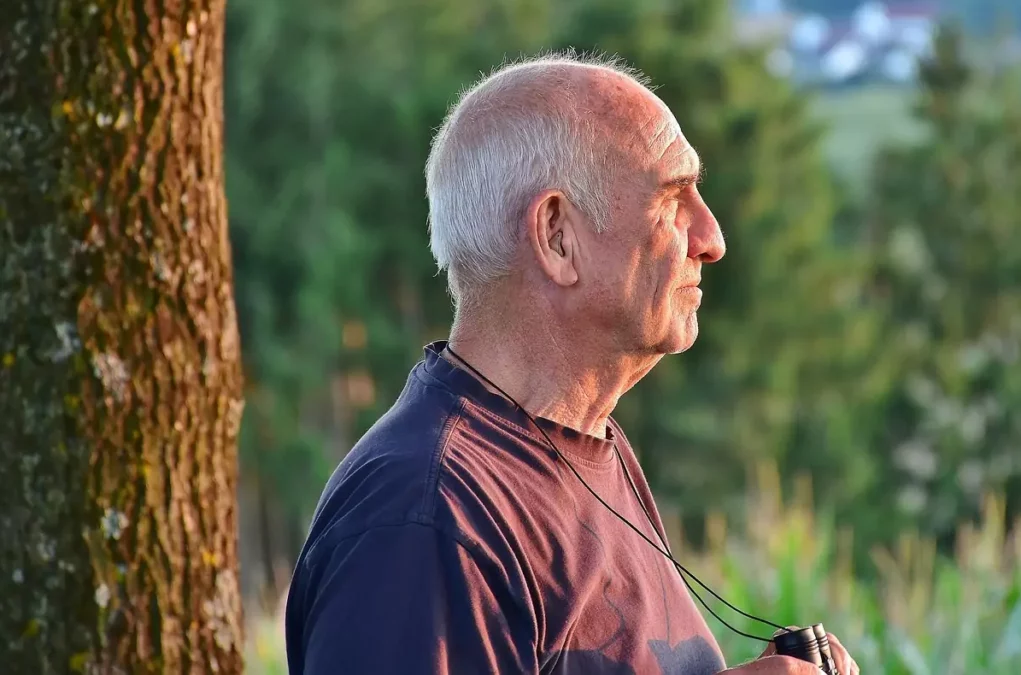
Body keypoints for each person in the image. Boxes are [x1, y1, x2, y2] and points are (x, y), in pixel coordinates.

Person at [284, 52, 860, 675]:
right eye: (672, 199)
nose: (711, 237)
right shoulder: (424, 518)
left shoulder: (585, 443)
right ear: (557, 236)